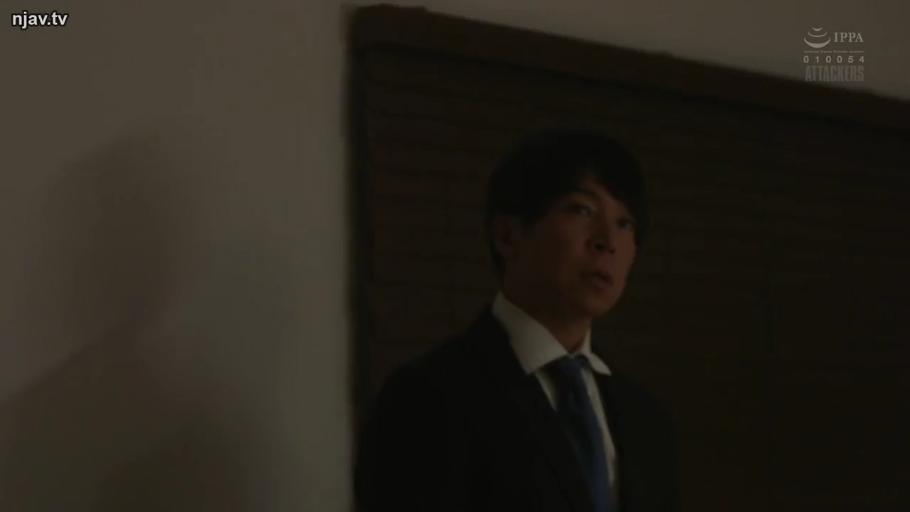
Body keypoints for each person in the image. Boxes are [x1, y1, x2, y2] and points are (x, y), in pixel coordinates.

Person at [354, 128, 678, 512]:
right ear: (507, 235)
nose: (607, 240)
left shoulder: (645, 418)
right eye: (581, 210)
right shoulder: (428, 397)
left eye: (625, 223)